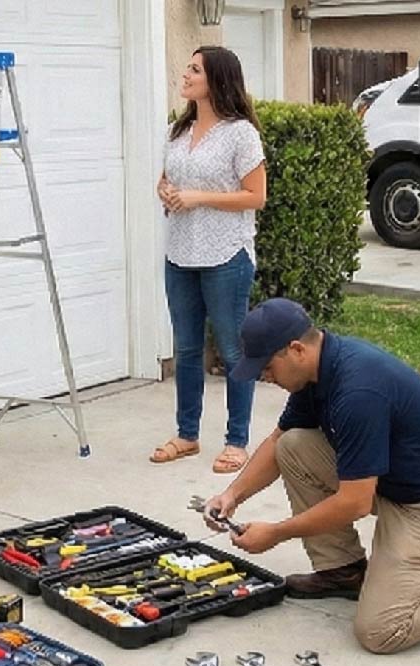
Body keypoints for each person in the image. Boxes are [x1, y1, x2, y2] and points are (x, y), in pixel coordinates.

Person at [204, 298, 420, 654]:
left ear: (296, 350)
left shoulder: (357, 391)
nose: (264, 377)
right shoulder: (316, 372)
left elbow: (354, 503)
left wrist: (277, 533)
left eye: (266, 367)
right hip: (394, 487)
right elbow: (278, 440)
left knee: (382, 631)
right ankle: (343, 571)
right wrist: (232, 495)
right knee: (293, 445)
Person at [151, 46, 267, 474]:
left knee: (233, 350)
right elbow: (167, 179)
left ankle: (237, 441)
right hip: (180, 252)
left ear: (216, 79)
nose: (185, 75)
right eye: (188, 67)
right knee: (185, 349)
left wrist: (198, 197)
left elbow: (256, 196)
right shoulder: (177, 130)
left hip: (226, 254)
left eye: (194, 69)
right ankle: (187, 435)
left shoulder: (241, 134)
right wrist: (165, 191)